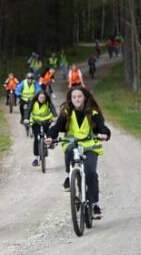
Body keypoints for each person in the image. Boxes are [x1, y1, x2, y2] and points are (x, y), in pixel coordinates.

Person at [44, 87, 111, 219]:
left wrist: (105, 134)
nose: (77, 99)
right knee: (69, 150)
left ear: (85, 97)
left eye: (79, 96)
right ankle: (70, 175)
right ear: (71, 99)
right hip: (73, 144)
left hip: (90, 145)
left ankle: (95, 204)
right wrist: (50, 137)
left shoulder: (93, 113)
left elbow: (102, 126)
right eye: (74, 97)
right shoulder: (67, 112)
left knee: (90, 173)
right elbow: (56, 127)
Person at [22, 91, 57, 167]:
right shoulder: (33, 102)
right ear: (37, 97)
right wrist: (26, 118)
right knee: (36, 139)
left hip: (46, 121)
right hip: (36, 122)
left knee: (49, 133)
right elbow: (28, 111)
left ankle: (49, 143)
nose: (42, 99)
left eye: (44, 97)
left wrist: (55, 117)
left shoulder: (48, 102)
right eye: (40, 97)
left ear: (46, 98)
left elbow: (53, 109)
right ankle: (36, 158)